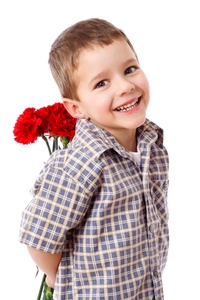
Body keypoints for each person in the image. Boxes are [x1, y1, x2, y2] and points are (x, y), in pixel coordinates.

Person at [19, 18, 169, 300]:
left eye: (130, 69)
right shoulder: (82, 163)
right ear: (76, 108)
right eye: (102, 83)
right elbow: (39, 238)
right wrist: (58, 278)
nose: (125, 86)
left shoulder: (152, 144)